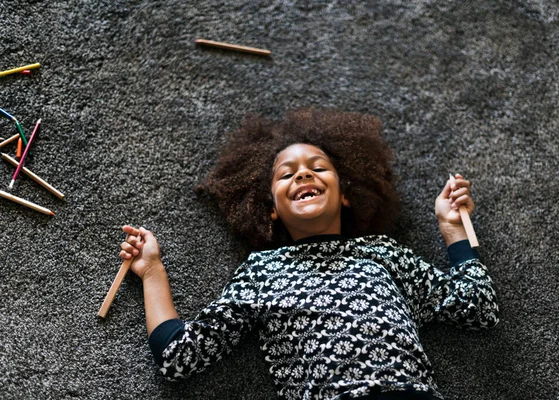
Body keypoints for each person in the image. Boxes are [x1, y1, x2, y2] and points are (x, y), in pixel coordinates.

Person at [119, 108, 499, 400]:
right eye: (287, 174)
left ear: (346, 195)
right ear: (270, 208)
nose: (303, 175)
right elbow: (178, 355)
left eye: (318, 168)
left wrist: (452, 229)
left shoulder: (383, 253)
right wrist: (152, 271)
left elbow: (478, 307)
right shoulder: (262, 271)